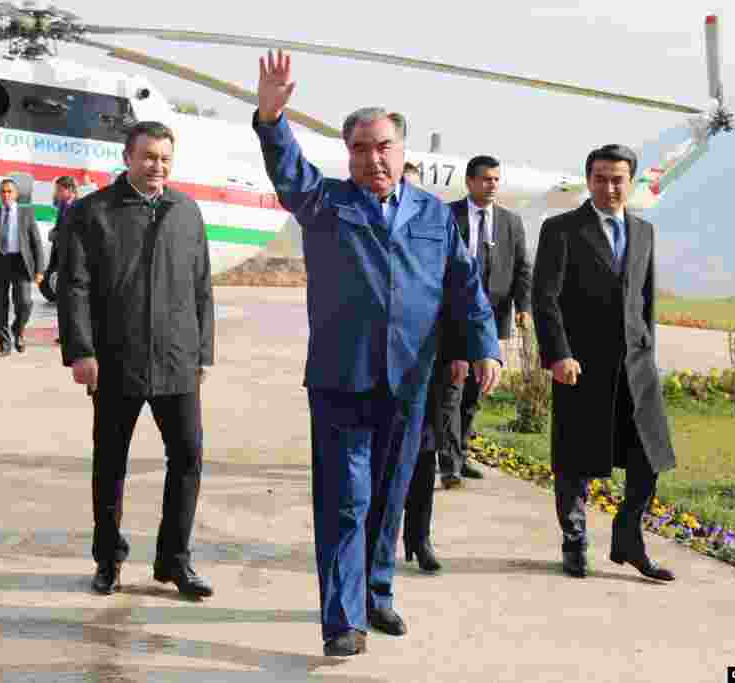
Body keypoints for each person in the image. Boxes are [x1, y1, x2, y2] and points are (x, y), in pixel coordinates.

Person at [253, 50, 501, 657]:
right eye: (360, 148)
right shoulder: (325, 203)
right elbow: (288, 170)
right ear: (349, 155)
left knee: (390, 496)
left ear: (402, 150)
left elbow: (463, 284)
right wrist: (270, 116)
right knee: (345, 500)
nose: (373, 158)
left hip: (409, 380)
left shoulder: (433, 217)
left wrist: (484, 344)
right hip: (342, 378)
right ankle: (343, 620)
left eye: (383, 146)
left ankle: (379, 593)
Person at [57, 121, 216, 599]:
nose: (157, 166)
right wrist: (81, 351)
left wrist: (203, 351)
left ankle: (174, 560)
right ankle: (108, 558)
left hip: (176, 361)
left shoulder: (186, 212)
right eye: (149, 157)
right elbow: (74, 288)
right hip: (115, 360)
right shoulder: (92, 212)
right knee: (110, 463)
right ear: (127, 157)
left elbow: (201, 288)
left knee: (188, 456)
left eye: (165, 158)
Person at [532, 144, 677, 582]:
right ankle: (574, 542)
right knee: (575, 459)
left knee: (650, 456)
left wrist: (648, 352)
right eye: (600, 178)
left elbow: (644, 299)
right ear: (588, 179)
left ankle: (629, 540)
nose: (609, 187)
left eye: (617, 179)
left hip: (636, 367)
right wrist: (558, 354)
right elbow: (546, 297)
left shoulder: (645, 231)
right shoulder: (561, 229)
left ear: (629, 182)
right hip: (580, 364)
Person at [440, 156, 533, 486]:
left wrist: (523, 306)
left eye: (496, 179)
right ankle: (448, 464)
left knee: (475, 393)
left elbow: (523, 267)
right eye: (485, 179)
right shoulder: (447, 215)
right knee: (452, 389)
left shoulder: (510, 222)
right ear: (469, 182)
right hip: (452, 318)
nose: (492, 185)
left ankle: (461, 455)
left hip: (491, 319)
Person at [0, 178, 45, 356]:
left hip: (20, 263)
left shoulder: (26, 213)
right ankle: (4, 345)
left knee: (24, 303)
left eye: (10, 191)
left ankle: (18, 329)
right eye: (3, 191)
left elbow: (36, 242)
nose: (6, 195)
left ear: (16, 194)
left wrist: (39, 269)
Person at [48, 176, 77, 345]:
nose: (56, 193)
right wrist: (55, 232)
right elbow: (61, 228)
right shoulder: (62, 207)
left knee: (72, 299)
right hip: (61, 258)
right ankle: (65, 333)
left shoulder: (79, 206)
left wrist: (59, 235)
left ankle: (72, 334)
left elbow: (76, 232)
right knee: (62, 299)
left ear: (69, 189)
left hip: (73, 259)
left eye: (59, 189)